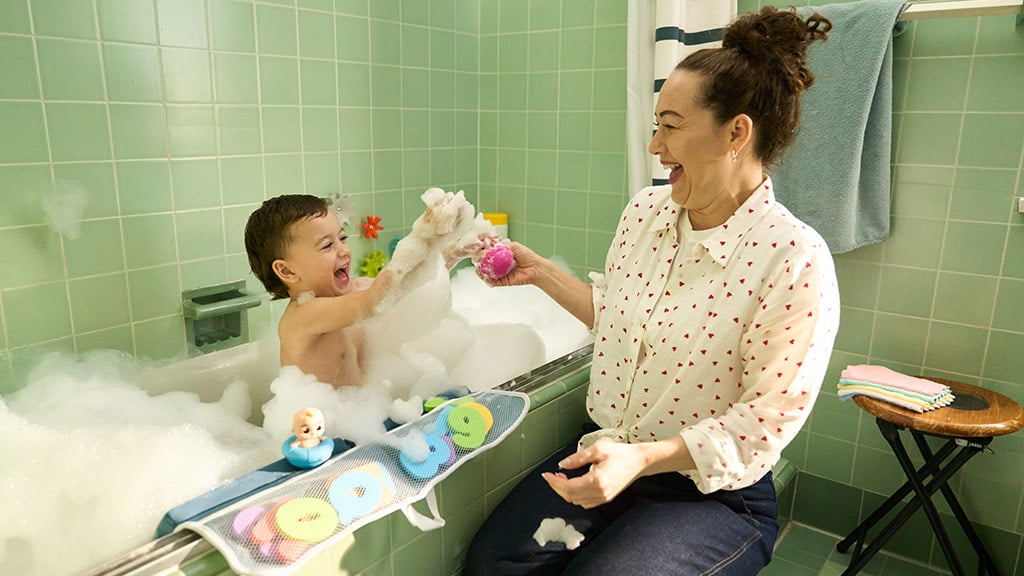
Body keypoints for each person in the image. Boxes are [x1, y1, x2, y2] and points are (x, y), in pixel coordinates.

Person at [464, 7, 838, 576]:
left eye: (671, 125)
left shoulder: (792, 258)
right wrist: (539, 272)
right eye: (656, 125)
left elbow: (764, 422)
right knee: (495, 563)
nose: (656, 145)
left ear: (736, 133)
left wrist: (642, 460)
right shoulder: (646, 213)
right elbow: (617, 319)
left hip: (711, 493)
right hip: (611, 450)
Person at [244, 190, 484, 389]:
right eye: (327, 245)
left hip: (363, 410)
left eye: (342, 238)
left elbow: (408, 288)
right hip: (320, 426)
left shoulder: (353, 290)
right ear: (287, 271)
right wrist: (422, 237)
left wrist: (453, 252)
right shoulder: (303, 316)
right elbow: (374, 302)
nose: (343, 250)